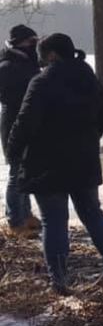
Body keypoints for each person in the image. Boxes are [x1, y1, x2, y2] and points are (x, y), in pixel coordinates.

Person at [6, 33, 103, 294]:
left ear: (52, 55)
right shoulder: (89, 78)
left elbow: (24, 123)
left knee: (53, 221)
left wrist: (14, 153)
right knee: (93, 213)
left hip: (46, 164)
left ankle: (59, 282)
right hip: (85, 160)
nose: (40, 60)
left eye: (41, 55)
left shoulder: (42, 82)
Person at [0, 25, 41, 237]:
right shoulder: (7, 66)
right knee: (16, 173)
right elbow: (8, 97)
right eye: (30, 41)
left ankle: (26, 214)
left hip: (30, 123)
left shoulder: (29, 62)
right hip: (13, 124)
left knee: (26, 172)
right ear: (19, 42)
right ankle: (15, 220)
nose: (33, 45)